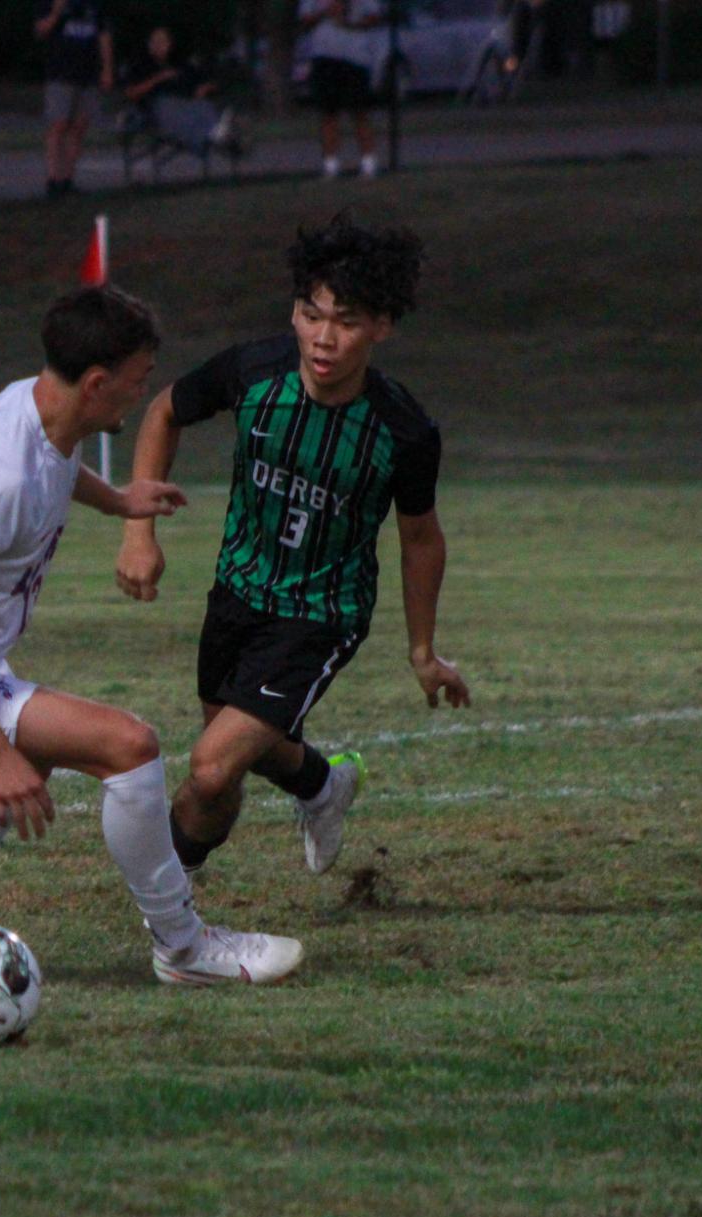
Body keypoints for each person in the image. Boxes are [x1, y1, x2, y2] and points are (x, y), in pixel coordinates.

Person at [0, 287, 302, 988]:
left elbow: (54, 464)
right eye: (138, 378)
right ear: (96, 384)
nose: (142, 391)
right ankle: (183, 949)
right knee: (129, 747)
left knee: (37, 755)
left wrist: (118, 500)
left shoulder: (30, 403)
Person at [114, 216, 470, 885]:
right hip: (237, 591)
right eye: (311, 315)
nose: (323, 338)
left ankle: (166, 902)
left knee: (211, 768)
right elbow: (164, 411)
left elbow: (420, 536)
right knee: (242, 760)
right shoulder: (253, 372)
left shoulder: (402, 430)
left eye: (346, 321)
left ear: (381, 328)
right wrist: (139, 530)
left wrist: (422, 652)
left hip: (320, 613)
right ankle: (322, 787)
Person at [297, 0, 388, 177]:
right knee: (328, 112)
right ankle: (331, 164)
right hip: (325, 56)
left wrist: (351, 23)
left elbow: (374, 17)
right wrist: (325, 12)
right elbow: (305, 20)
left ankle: (368, 163)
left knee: (360, 112)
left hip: (356, 58)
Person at [33, 0, 114, 198]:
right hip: (61, 73)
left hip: (87, 74)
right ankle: (53, 180)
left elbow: (104, 37)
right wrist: (56, 13)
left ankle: (67, 179)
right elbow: (41, 31)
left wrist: (107, 69)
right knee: (58, 125)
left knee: (78, 128)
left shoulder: (94, 6)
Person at [119, 26, 236, 156]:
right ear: (149, 45)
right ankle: (214, 136)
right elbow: (131, 93)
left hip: (186, 103)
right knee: (172, 109)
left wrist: (205, 87)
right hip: (157, 108)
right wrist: (158, 78)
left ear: (169, 44)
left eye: (163, 41)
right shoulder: (141, 64)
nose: (159, 45)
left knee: (204, 106)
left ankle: (214, 135)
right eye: (155, 41)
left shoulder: (179, 62)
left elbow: (207, 81)